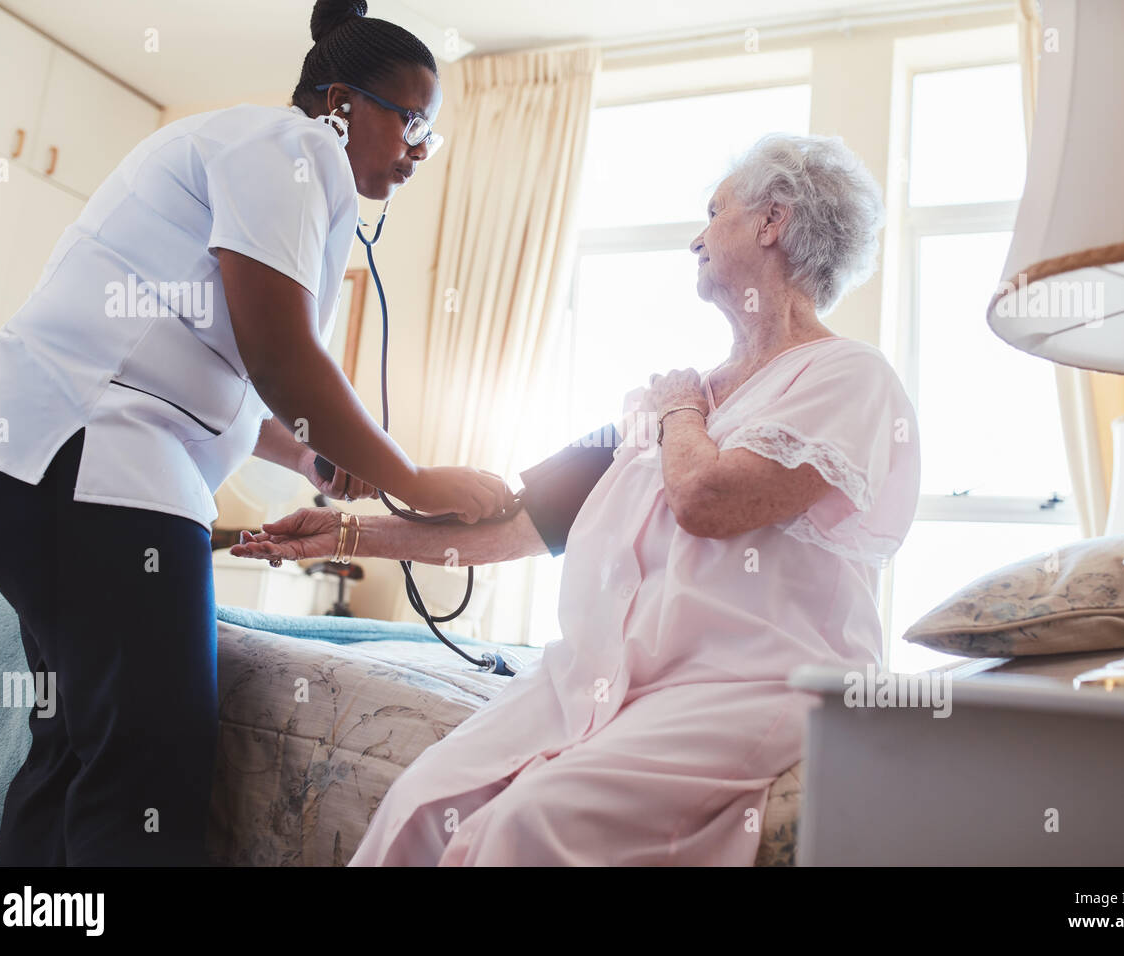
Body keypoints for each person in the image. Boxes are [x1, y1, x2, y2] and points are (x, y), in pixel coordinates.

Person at [232, 131, 922, 866]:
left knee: (525, 828)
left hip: (745, 688)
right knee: (420, 806)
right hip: (594, 681)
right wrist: (345, 535)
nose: (697, 237)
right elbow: (515, 527)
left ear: (771, 221)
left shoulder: (847, 377)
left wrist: (680, 413)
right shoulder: (660, 397)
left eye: (714, 212)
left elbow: (709, 501)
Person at [0, 0, 512, 866]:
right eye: (412, 123)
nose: (418, 151)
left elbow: (210, 373)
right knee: (148, 760)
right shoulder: (288, 151)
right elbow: (281, 360)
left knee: (77, 746)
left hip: (31, 456)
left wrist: (309, 454)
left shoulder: (265, 161)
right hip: (90, 463)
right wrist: (419, 478)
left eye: (428, 137)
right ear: (339, 102)